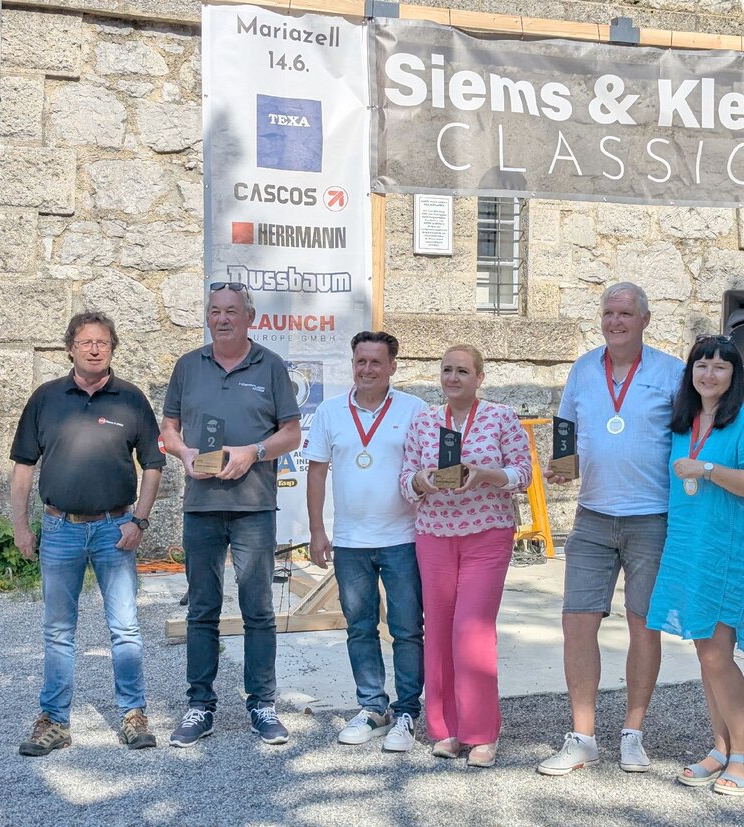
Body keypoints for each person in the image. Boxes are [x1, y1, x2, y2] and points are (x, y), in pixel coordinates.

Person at [538, 282, 684, 776]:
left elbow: (691, 435)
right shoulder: (583, 368)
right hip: (592, 515)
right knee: (576, 621)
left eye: (625, 313)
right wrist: (563, 466)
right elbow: (566, 431)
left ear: (645, 319)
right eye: (608, 313)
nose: (615, 321)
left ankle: (632, 734)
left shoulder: (671, 372)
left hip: (652, 517)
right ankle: (582, 737)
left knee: (644, 625)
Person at [10, 311, 165, 756]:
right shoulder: (46, 398)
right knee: (58, 629)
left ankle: (133, 715)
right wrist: (22, 526)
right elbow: (23, 466)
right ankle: (55, 721)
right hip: (59, 529)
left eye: (102, 342)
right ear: (71, 349)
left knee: (125, 627)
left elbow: (153, 466)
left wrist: (139, 520)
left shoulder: (131, 400)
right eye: (85, 342)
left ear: (112, 348)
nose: (94, 348)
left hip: (116, 529)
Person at [161, 283, 302, 747]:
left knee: (257, 608)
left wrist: (254, 451)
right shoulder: (188, 366)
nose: (222, 319)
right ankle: (200, 706)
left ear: (249, 318)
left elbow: (292, 434)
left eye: (232, 312)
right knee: (202, 608)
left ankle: (262, 704)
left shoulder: (271, 366)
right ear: (207, 317)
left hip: (253, 507)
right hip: (200, 505)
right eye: (215, 311)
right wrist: (181, 452)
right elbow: (170, 427)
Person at [647, 334, 744, 796]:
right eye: (701, 365)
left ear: (734, 376)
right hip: (688, 551)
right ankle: (719, 747)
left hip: (727, 553)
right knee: (706, 655)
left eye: (720, 367)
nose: (709, 374)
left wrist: (706, 471)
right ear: (691, 373)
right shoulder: (684, 422)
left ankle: (743, 754)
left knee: (717, 654)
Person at [399, 344, 531, 768]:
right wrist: (421, 480)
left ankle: (481, 733)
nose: (453, 378)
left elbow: (523, 473)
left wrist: (486, 476)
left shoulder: (501, 417)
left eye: (462, 371)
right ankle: (445, 728)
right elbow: (405, 479)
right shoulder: (423, 421)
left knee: (471, 630)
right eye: (447, 370)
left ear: (479, 378)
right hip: (434, 534)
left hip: (487, 535)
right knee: (437, 629)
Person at [304, 331, 427, 751]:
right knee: (359, 628)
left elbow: (432, 470)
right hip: (351, 541)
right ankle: (373, 707)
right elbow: (316, 471)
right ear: (352, 363)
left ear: (393, 366)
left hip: (403, 538)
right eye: (361, 362)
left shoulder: (415, 409)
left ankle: (408, 711)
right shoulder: (330, 411)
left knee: (407, 629)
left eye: (377, 362)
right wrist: (317, 530)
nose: (368, 370)